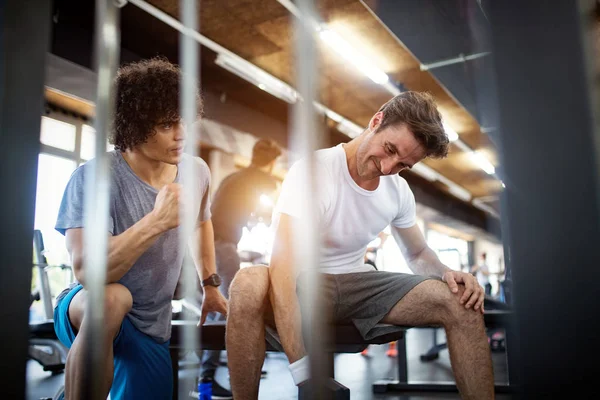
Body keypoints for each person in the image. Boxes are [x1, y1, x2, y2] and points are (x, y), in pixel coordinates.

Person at [226, 91, 495, 400]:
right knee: (247, 283)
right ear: (376, 122)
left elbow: (417, 253)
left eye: (403, 164)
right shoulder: (315, 172)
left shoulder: (398, 191)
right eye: (389, 149)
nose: (388, 166)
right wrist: (303, 372)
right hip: (304, 283)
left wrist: (448, 273)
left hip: (359, 285)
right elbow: (284, 267)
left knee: (462, 300)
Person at [52, 57, 228, 400]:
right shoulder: (95, 177)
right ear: (132, 125)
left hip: (151, 323)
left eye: (183, 122)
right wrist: (157, 221)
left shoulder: (197, 172)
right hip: (87, 306)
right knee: (113, 298)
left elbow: (201, 222)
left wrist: (210, 284)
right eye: (166, 125)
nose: (181, 135)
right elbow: (88, 271)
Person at [199, 138, 282, 397]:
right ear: (271, 163)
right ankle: (206, 382)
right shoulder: (263, 180)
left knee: (218, 309)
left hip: (207, 246)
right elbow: (272, 214)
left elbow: (236, 211)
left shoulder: (234, 178)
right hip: (223, 248)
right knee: (225, 311)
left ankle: (207, 381)